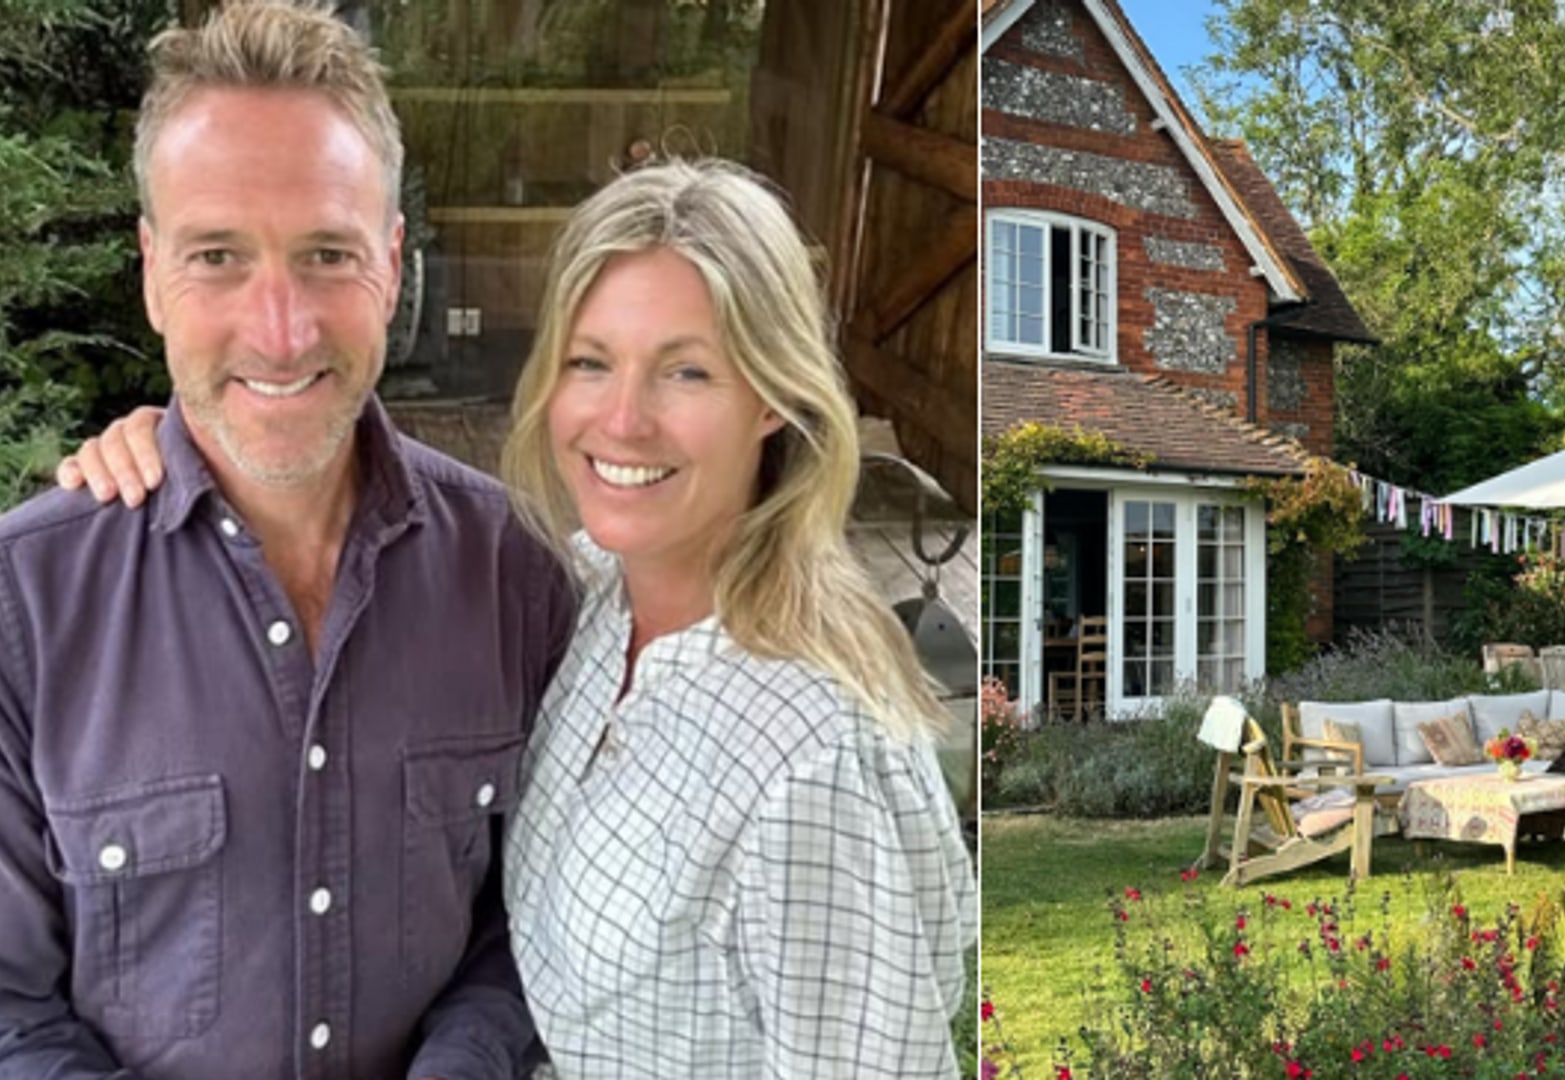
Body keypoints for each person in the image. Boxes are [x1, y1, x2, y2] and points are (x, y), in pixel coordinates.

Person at [61, 160, 980, 1074]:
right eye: (591, 362)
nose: (621, 420)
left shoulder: (811, 760)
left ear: (773, 396)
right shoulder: (580, 596)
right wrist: (202, 440)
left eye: (687, 371)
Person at [0, 3, 572, 1078]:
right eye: (218, 255)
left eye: (326, 255)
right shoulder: (25, 606)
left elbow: (531, 922)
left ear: (393, 265)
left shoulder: (514, 575)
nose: (281, 329)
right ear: (151, 271)